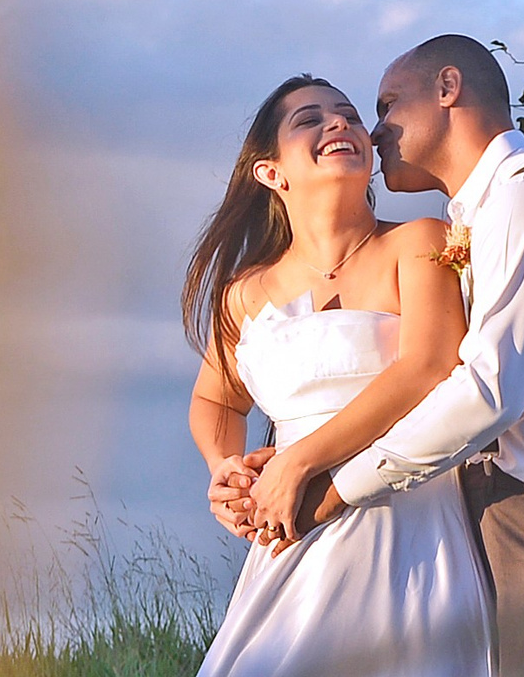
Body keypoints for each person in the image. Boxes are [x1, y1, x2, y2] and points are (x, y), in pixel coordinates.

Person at [226, 34, 524, 677]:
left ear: (447, 89)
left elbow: (487, 392)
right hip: (515, 522)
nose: (374, 131)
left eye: (385, 105)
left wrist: (332, 490)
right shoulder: (485, 215)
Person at [183, 75, 494, 677]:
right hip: (290, 528)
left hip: (408, 528)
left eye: (349, 115)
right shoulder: (243, 293)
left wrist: (297, 463)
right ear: (271, 173)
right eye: (309, 120)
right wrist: (226, 471)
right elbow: (216, 401)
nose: (339, 124)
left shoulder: (419, 242)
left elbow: (429, 366)